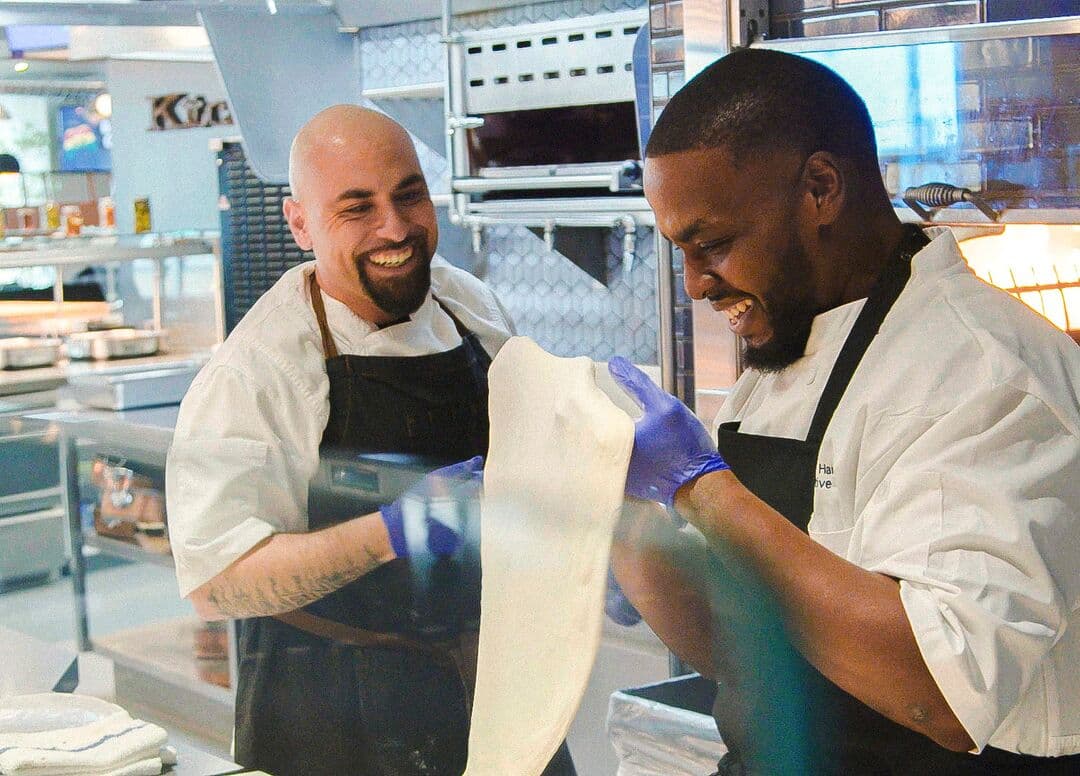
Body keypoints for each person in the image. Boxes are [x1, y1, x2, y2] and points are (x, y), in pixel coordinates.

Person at [606, 49, 1080, 775]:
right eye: (680, 252)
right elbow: (736, 647)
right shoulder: (785, 355)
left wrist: (703, 490)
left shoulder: (991, 374)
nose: (697, 284)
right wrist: (623, 514)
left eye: (713, 245)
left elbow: (943, 695)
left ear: (822, 188)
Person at [166, 105, 575, 776]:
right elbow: (217, 583)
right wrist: (388, 533)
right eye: (356, 208)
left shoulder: (466, 304)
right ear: (300, 224)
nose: (395, 229)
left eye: (409, 195)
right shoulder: (257, 371)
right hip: (332, 719)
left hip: (496, 690)